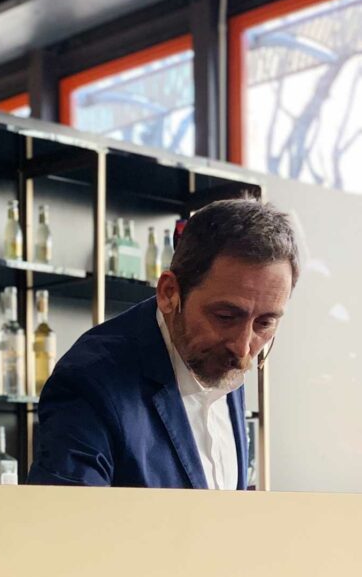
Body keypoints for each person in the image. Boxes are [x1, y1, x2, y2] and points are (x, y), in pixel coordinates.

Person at [28, 199, 299, 488]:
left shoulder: (221, 356)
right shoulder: (90, 382)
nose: (243, 348)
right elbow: (66, 516)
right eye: (225, 317)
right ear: (169, 293)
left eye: (265, 323)